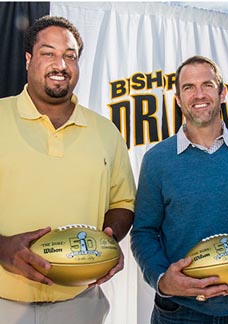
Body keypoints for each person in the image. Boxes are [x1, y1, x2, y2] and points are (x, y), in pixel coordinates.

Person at [0, 15, 135, 324]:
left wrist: (108, 242)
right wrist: (3, 247)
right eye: (48, 53)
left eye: (69, 55)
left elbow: (123, 202)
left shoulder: (105, 131)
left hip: (79, 304)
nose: (60, 64)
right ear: (28, 59)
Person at [130, 55, 228, 323]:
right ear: (177, 99)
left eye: (207, 85)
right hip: (180, 313)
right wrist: (162, 279)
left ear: (223, 93)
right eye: (188, 87)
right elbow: (144, 232)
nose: (199, 95)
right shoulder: (157, 159)